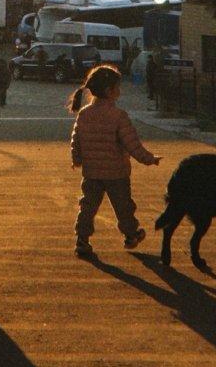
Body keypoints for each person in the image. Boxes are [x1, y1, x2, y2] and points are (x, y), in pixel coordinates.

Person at [69, 64, 161, 259]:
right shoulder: (118, 116)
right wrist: (149, 159)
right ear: (109, 91)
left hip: (92, 172)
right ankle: (131, 235)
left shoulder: (84, 114)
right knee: (123, 206)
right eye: (117, 88)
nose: (120, 91)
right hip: (116, 172)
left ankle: (82, 240)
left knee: (87, 206)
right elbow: (132, 144)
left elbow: (76, 140)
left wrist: (76, 158)